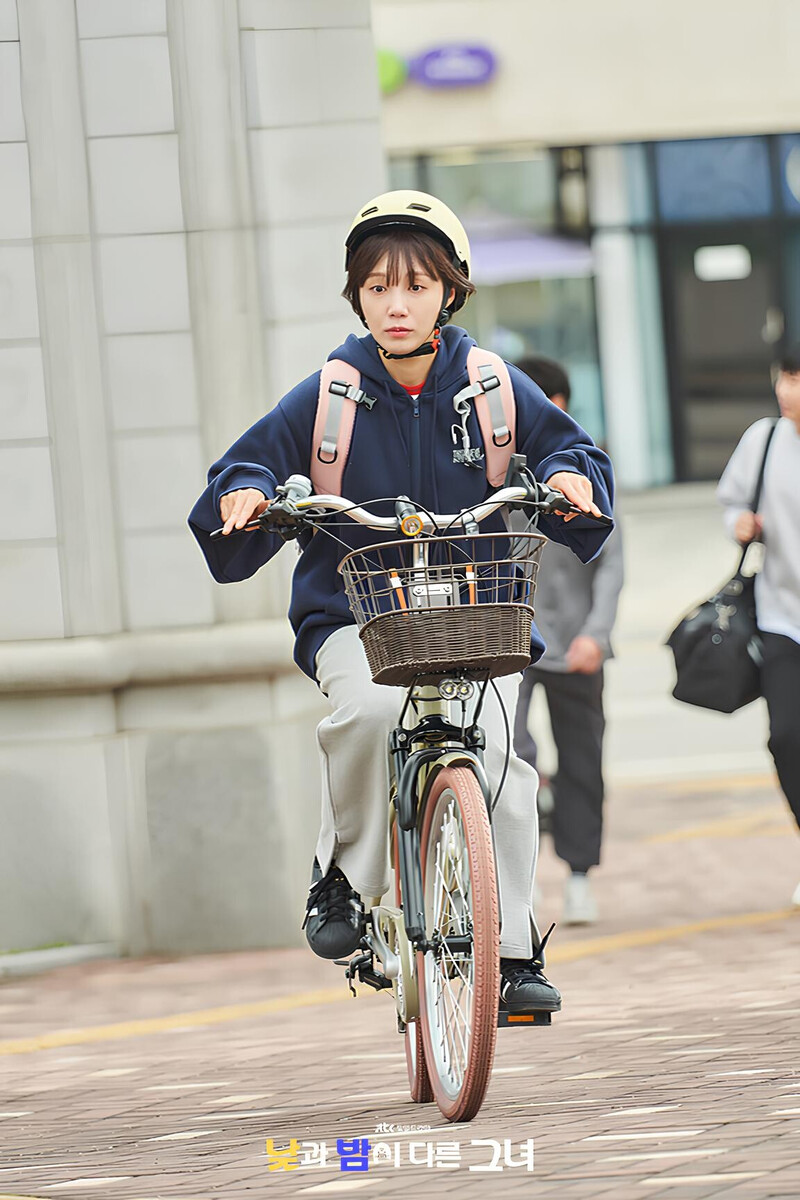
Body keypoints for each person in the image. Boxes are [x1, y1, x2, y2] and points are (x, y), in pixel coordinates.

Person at [188, 190, 615, 1012]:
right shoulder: (330, 394)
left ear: (450, 291)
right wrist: (246, 494)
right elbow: (245, 464)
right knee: (373, 717)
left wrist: (566, 478)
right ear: (357, 295)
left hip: (475, 614)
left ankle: (513, 953)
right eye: (378, 287)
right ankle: (344, 882)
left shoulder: (492, 386)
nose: (396, 304)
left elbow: (571, 448)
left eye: (416, 286)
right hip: (353, 617)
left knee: (502, 763)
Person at [511, 357, 624, 925]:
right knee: (507, 753)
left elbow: (611, 561)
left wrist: (597, 635)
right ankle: (517, 882)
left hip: (577, 643)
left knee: (582, 760)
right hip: (509, 639)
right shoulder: (492, 470)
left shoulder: (586, 468)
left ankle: (579, 876)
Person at [717, 344, 800, 908]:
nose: (788, 391)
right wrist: (740, 523)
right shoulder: (764, 439)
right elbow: (731, 505)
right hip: (782, 615)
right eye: (785, 378)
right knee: (788, 737)